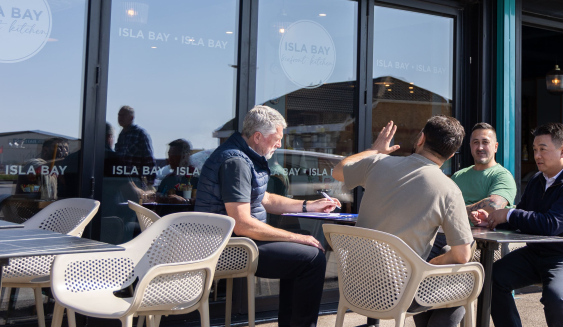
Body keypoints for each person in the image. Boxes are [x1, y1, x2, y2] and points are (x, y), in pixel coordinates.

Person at [195, 105, 339, 327]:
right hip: (230, 248)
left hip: (237, 242)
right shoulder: (237, 163)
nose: (280, 144)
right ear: (258, 137)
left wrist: (309, 205)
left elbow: (266, 199)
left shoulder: (244, 156)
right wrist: (297, 239)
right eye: (277, 138)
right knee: (312, 257)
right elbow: (242, 224)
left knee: (305, 247)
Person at [332, 117, 474, 327]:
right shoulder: (449, 189)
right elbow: (462, 255)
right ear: (451, 154)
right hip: (401, 296)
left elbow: (338, 170)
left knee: (429, 270)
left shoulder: (377, 163)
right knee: (462, 283)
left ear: (421, 139)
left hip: (355, 288)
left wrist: (375, 150)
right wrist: (434, 263)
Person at [472, 123, 563, 327]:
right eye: (535, 149)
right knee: (490, 279)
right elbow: (522, 220)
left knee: (556, 296)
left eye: (543, 149)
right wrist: (494, 222)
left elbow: (550, 225)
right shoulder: (538, 180)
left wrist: (509, 214)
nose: (536, 155)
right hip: (536, 253)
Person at [430, 122, 516, 256]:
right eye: (476, 142)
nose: (480, 147)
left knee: (447, 252)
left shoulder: (502, 176)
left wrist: (453, 213)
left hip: (482, 242)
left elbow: (494, 205)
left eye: (485, 142)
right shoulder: (459, 176)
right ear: (470, 146)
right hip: (446, 234)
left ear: (495, 147)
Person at [114, 106, 155, 171]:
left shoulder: (140, 133)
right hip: (122, 177)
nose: (120, 118)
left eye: (123, 115)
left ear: (131, 118)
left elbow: (149, 159)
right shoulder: (121, 135)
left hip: (136, 178)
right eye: (119, 115)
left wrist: (150, 179)